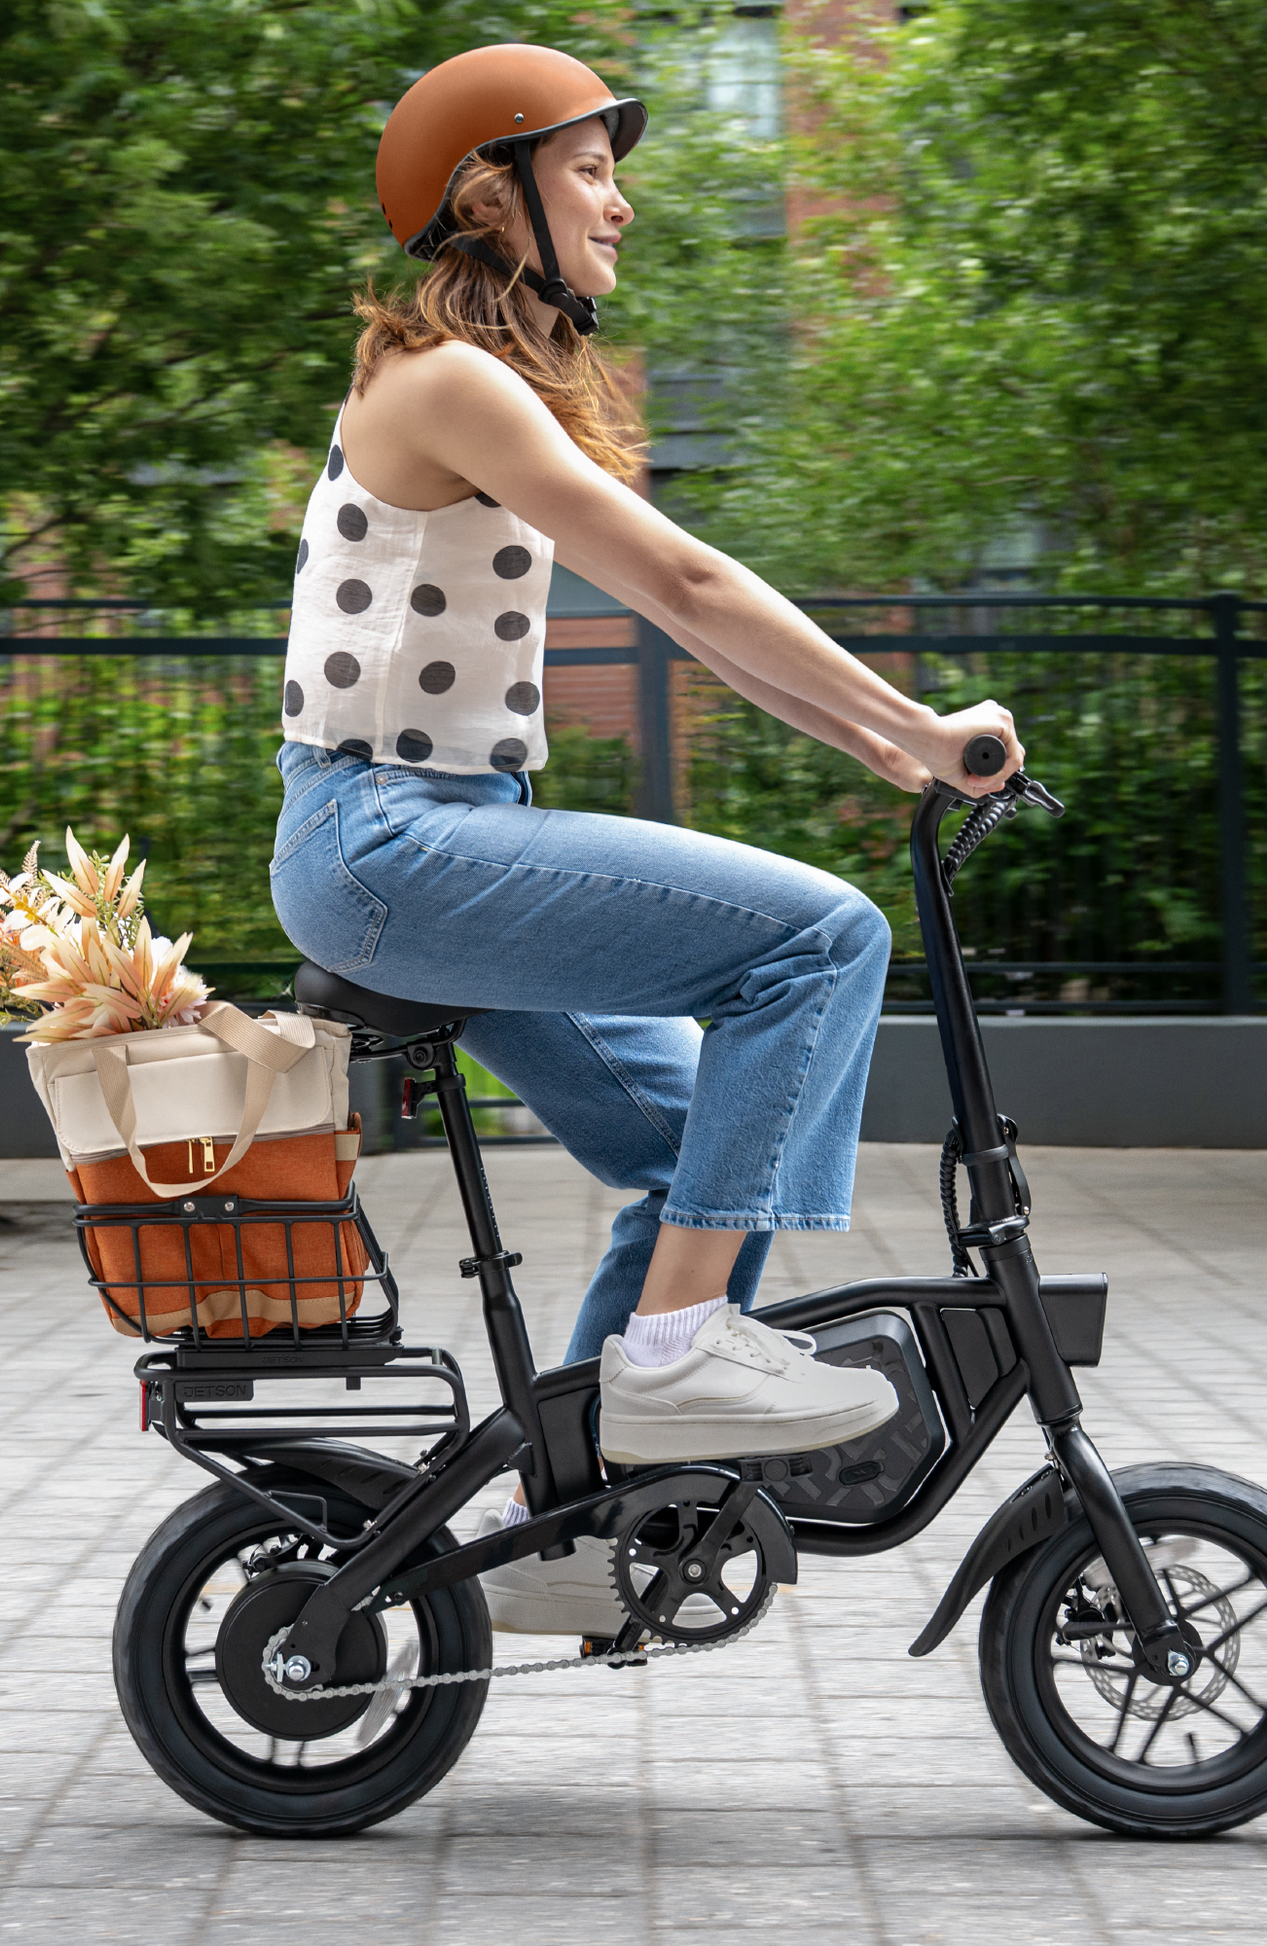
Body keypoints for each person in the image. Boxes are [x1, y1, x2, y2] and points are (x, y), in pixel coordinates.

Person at [270, 45, 1023, 1635]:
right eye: (589, 167)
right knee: (820, 941)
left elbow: (704, 632)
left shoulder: (475, 386)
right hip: (389, 841)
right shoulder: (447, 379)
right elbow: (681, 586)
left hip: (428, 840)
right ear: (492, 193)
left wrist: (901, 743)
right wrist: (910, 717)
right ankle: (674, 1361)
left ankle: (568, 1521)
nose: (621, 195)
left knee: (696, 1158)